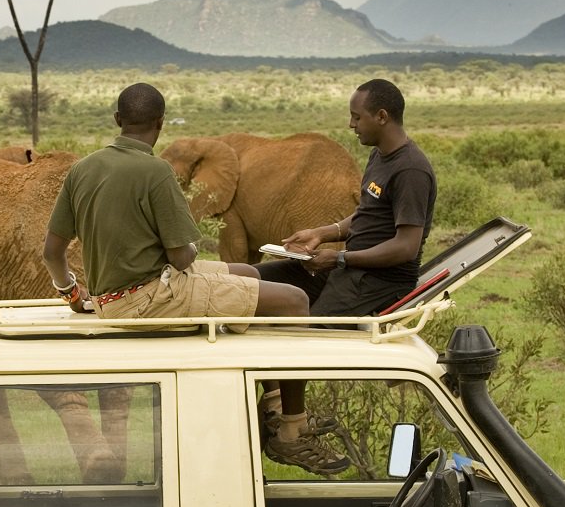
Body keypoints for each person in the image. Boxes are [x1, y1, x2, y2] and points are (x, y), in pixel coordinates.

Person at [41, 84, 347, 473]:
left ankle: (272, 406)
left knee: (247, 272)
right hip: (153, 296)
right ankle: (292, 429)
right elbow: (183, 257)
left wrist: (71, 293)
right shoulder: (155, 171)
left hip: (112, 297)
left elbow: (52, 253)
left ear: (118, 121)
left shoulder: (82, 169)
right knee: (293, 301)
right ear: (160, 123)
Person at [254, 78, 437, 463]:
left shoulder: (412, 170)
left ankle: (292, 427)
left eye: (357, 117)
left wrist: (339, 258)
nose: (352, 125)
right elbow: (366, 217)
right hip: (347, 265)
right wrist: (324, 233)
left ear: (382, 116)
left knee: (294, 332)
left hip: (377, 281)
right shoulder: (380, 157)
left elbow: (405, 247)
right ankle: (274, 404)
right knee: (256, 282)